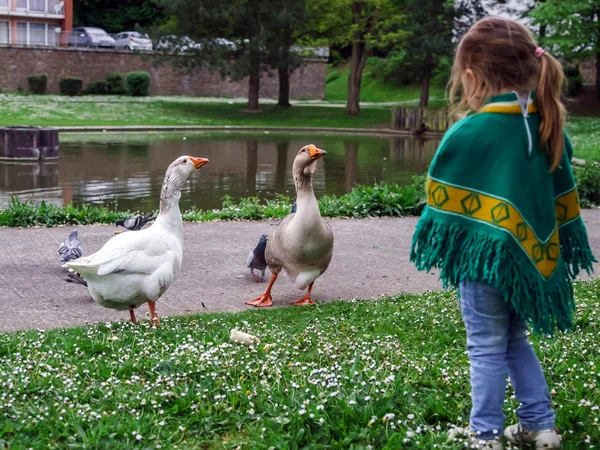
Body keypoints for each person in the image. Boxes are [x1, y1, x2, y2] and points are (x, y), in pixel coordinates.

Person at [410, 17, 596, 450]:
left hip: (485, 262)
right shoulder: (551, 127)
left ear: (472, 77)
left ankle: (485, 435)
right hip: (525, 260)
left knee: (485, 347)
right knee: (514, 338)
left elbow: (440, 199)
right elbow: (560, 200)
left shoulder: (469, 131)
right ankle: (541, 427)